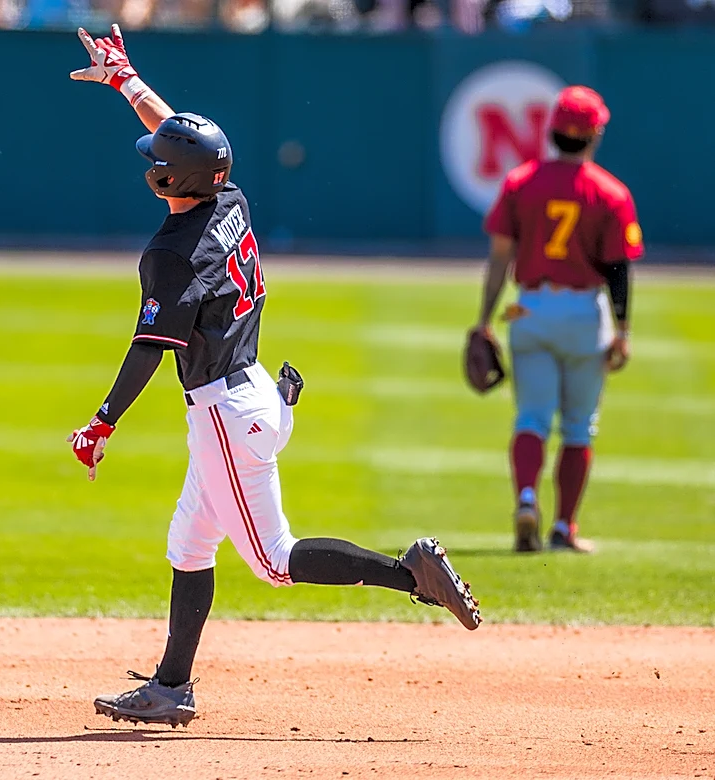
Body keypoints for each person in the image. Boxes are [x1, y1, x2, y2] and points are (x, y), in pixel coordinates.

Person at [67, 25, 481, 728]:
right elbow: (189, 143)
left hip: (227, 415)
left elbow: (149, 347)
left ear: (168, 180)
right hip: (252, 392)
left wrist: (103, 421)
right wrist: (126, 81)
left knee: (276, 562)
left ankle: (409, 572)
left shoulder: (172, 252)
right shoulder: (231, 201)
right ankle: (171, 686)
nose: (154, 160)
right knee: (190, 543)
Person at [474, 85, 643, 555]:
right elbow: (618, 270)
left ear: (552, 130)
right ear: (594, 133)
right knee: (577, 426)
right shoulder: (610, 192)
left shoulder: (520, 181)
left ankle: (527, 498)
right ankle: (565, 527)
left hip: (528, 306)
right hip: (583, 312)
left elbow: (499, 260)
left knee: (530, 417)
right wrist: (624, 331)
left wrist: (485, 318)